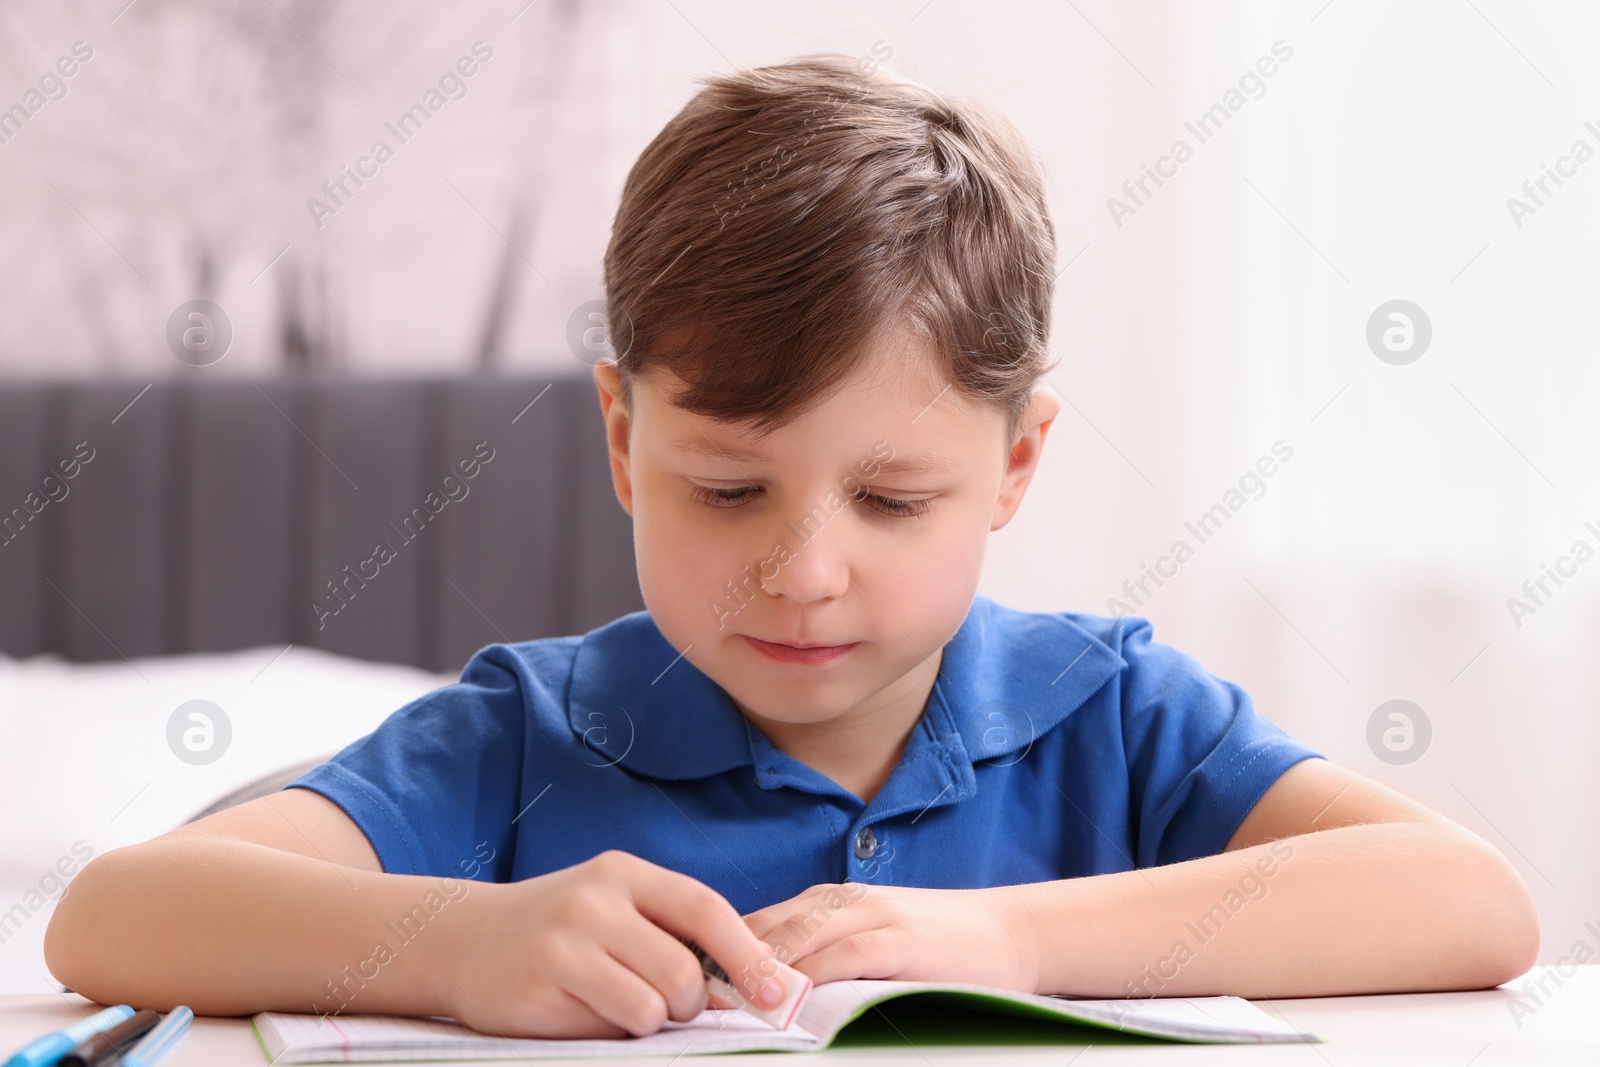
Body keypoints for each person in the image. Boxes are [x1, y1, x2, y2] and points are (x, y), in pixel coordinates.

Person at [45, 54, 1538, 1040]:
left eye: (891, 503)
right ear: (626, 443)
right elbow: (117, 917)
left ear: (1014, 463)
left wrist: (1010, 940)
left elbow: (1473, 904)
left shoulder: (1116, 719)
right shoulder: (528, 737)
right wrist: (460, 944)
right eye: (729, 490)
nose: (806, 572)